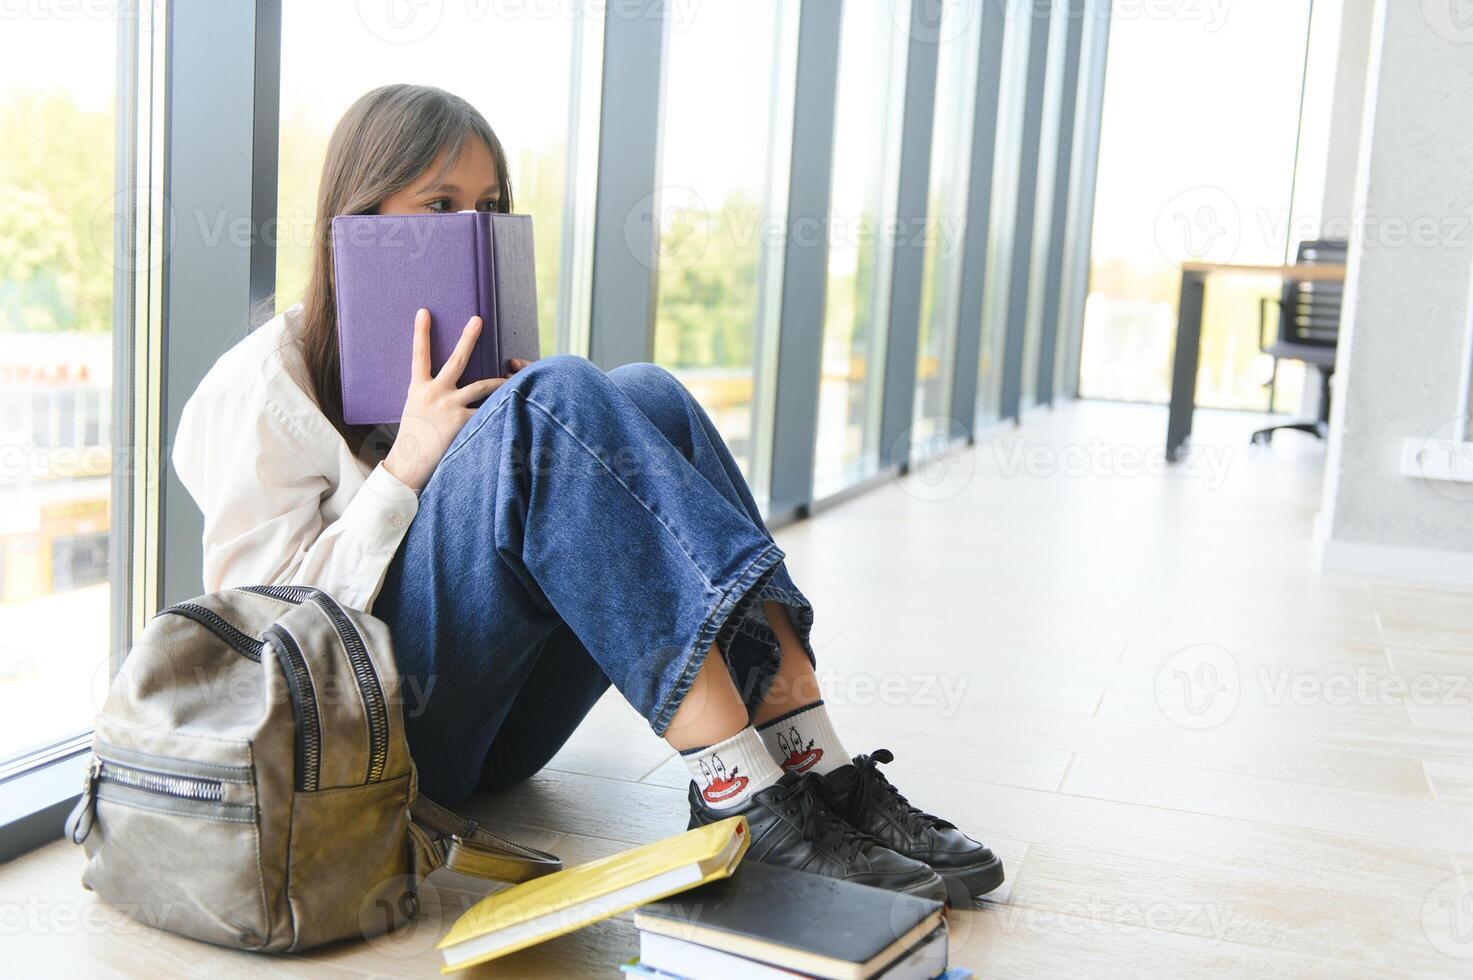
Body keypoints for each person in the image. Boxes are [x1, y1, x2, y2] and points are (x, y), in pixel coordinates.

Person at [173, 84, 1002, 903]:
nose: (470, 231)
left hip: (500, 732)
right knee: (559, 397)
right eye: (438, 204)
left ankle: (813, 761)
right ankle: (737, 793)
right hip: (378, 751)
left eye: (488, 206)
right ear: (361, 215)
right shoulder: (261, 383)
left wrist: (498, 447)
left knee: (647, 395)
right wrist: (408, 469)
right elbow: (262, 651)